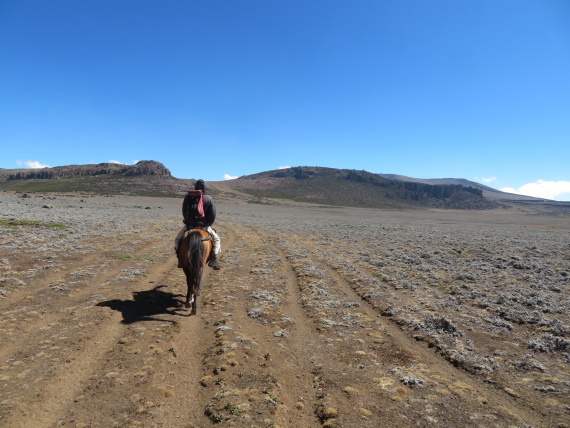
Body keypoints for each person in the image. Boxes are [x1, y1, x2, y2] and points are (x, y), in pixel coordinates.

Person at [174, 179, 221, 270]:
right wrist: (207, 224)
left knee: (178, 240)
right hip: (204, 226)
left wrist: (188, 221)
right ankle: (214, 260)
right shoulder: (209, 198)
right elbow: (213, 214)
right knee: (216, 239)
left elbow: (184, 211)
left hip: (190, 226)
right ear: (204, 188)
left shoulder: (188, 197)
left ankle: (180, 259)